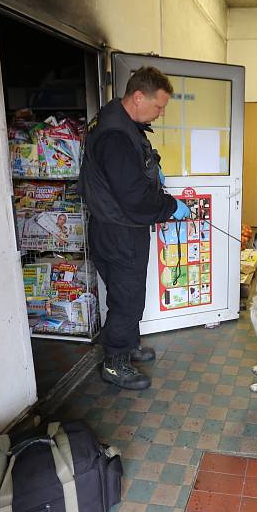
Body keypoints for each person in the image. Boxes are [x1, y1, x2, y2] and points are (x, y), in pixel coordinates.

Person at [79, 66, 190, 390]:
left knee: (127, 293)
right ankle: (115, 363)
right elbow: (134, 198)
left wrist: (155, 175)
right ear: (138, 97)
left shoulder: (119, 120)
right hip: (119, 231)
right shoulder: (115, 134)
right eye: (159, 106)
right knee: (127, 299)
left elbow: (132, 174)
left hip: (117, 228)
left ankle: (126, 345)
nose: (161, 113)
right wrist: (170, 206)